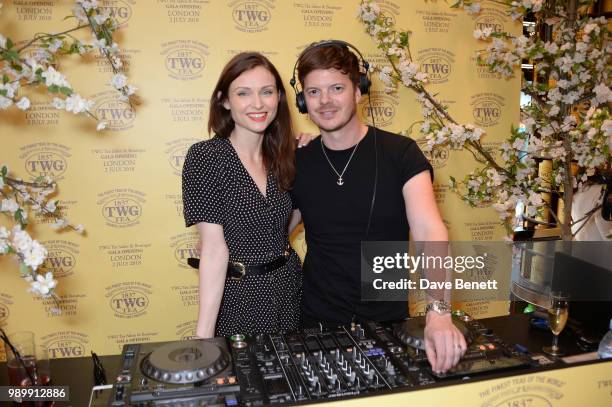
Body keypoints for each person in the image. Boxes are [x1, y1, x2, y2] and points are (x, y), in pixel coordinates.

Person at [288, 41, 466, 373]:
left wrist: (440, 312)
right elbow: (275, 231)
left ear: (359, 91)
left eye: (337, 88)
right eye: (313, 92)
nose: (325, 101)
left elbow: (430, 230)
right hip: (315, 325)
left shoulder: (400, 153)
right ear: (303, 101)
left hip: (387, 326)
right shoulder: (299, 161)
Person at [182, 52, 303, 338]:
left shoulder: (285, 157)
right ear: (224, 101)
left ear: (279, 98)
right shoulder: (206, 157)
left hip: (290, 288)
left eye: (267, 92)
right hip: (240, 298)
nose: (258, 104)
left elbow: (287, 221)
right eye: (243, 93)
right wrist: (204, 339)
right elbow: (213, 250)